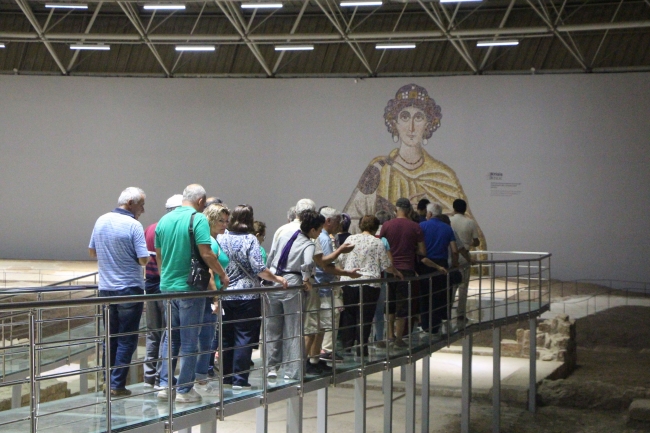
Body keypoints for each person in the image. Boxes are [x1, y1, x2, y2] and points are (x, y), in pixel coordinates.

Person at [342, 83, 486, 251]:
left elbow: (473, 235)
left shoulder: (444, 175)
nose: (411, 127)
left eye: (418, 117)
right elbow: (351, 220)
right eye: (404, 117)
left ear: (428, 124)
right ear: (394, 123)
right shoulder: (379, 169)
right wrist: (397, 214)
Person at [155, 184, 229, 404]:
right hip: (190, 288)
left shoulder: (163, 220)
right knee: (189, 341)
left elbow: (158, 255)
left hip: (167, 287)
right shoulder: (198, 219)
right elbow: (206, 252)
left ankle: (165, 385)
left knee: (170, 338)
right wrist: (222, 274)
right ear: (201, 201)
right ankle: (184, 389)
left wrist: (165, 278)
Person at [217, 205, 288, 390]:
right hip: (248, 296)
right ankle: (239, 380)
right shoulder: (250, 240)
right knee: (244, 337)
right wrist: (277, 278)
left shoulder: (221, 238)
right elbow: (259, 268)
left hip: (225, 294)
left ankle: (226, 379)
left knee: (226, 337)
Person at [88, 187, 149, 397]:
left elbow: (92, 251)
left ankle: (107, 381)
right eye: (141, 205)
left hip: (106, 289)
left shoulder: (101, 220)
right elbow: (143, 259)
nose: (143, 210)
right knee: (127, 338)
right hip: (129, 289)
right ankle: (117, 384)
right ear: (131, 203)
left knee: (110, 337)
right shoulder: (134, 225)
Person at [264, 210, 324, 380]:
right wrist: (306, 279)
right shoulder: (309, 244)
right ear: (312, 229)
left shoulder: (284, 235)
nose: (319, 233)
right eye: (319, 230)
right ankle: (292, 371)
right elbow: (307, 263)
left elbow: (271, 256)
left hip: (274, 280)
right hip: (292, 282)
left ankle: (271, 367)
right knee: (293, 328)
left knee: (272, 327)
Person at [339, 215, 403, 357]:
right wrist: (396, 272)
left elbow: (341, 259)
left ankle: (347, 347)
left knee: (349, 314)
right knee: (366, 316)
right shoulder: (377, 242)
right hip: (369, 283)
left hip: (349, 280)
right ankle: (362, 348)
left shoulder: (350, 239)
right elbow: (386, 265)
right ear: (375, 228)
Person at [142, 193, 182, 390]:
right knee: (168, 333)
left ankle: (149, 376)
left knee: (153, 332)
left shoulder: (150, 228)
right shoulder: (172, 229)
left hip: (150, 283)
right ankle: (162, 376)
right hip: (167, 284)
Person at [378, 197, 425, 348]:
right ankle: (399, 338)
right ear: (409, 210)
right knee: (403, 305)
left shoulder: (387, 225)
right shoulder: (415, 226)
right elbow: (422, 251)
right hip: (407, 269)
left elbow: (381, 245)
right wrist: (412, 249)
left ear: (395, 209)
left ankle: (389, 335)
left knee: (390, 303)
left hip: (390, 269)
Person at [194, 204, 231, 393]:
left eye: (226, 221)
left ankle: (200, 377)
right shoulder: (209, 241)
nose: (225, 225)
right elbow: (209, 272)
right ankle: (200, 378)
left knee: (206, 339)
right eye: (220, 221)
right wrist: (216, 298)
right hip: (209, 296)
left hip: (211, 295)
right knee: (205, 339)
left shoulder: (213, 240)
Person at [313, 208, 358, 365]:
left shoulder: (321, 237)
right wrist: (346, 271)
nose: (339, 225)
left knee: (323, 323)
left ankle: (318, 356)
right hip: (325, 287)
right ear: (328, 221)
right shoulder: (324, 239)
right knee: (327, 322)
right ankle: (325, 351)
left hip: (322, 285)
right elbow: (325, 265)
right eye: (338, 222)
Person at [419, 202, 459, 336]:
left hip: (425, 264)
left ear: (429, 214)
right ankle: (435, 326)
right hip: (442, 265)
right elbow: (454, 250)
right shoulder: (447, 228)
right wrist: (455, 264)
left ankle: (425, 326)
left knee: (425, 296)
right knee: (438, 296)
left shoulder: (422, 226)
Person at [449, 199, 479, 325]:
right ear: (465, 209)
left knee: (451, 285)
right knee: (463, 286)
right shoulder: (470, 222)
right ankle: (461, 313)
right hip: (465, 255)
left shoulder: (449, 221)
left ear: (454, 208)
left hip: (451, 255)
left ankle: (447, 310)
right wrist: (468, 243)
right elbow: (476, 242)